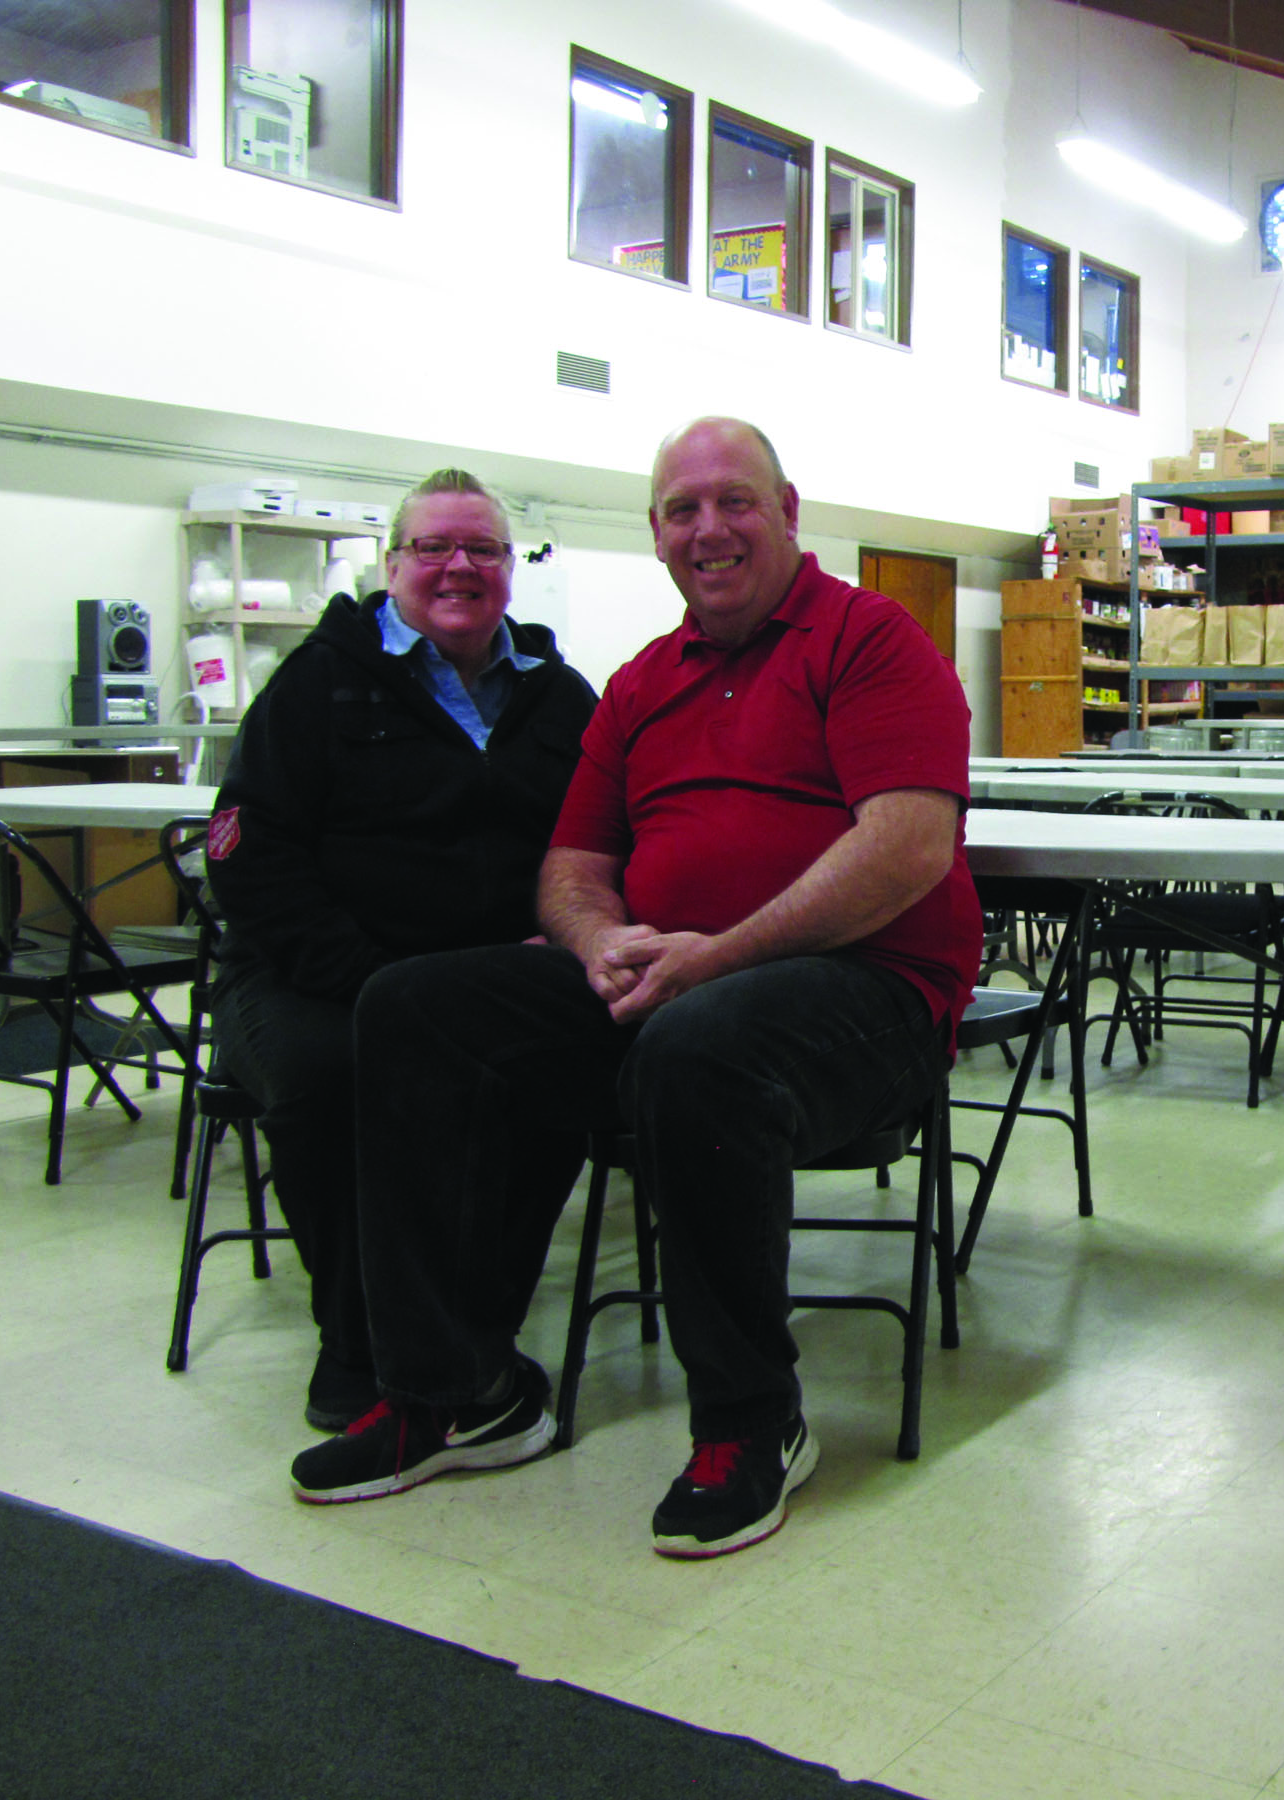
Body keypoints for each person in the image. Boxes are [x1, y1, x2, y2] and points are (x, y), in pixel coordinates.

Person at [286, 417, 982, 1560]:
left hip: (867, 999)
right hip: (674, 984)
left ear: (788, 508)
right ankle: (460, 1389)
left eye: (734, 501)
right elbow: (571, 865)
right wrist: (601, 940)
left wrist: (714, 955)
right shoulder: (640, 683)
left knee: (699, 1041)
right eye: (680, 510)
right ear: (655, 534)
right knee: (412, 1009)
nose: (709, 528)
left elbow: (907, 846)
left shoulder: (871, 639)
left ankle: (752, 1424)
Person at [207, 470, 598, 1432]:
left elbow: (603, 839)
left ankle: (472, 1328)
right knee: (333, 1078)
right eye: (434, 548)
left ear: (510, 570)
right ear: (393, 565)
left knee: (560, 1069)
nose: (458, 566)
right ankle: (360, 1345)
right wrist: (374, 981)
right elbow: (250, 857)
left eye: (484, 550)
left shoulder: (560, 697)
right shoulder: (319, 682)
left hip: (479, 982)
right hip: (315, 976)